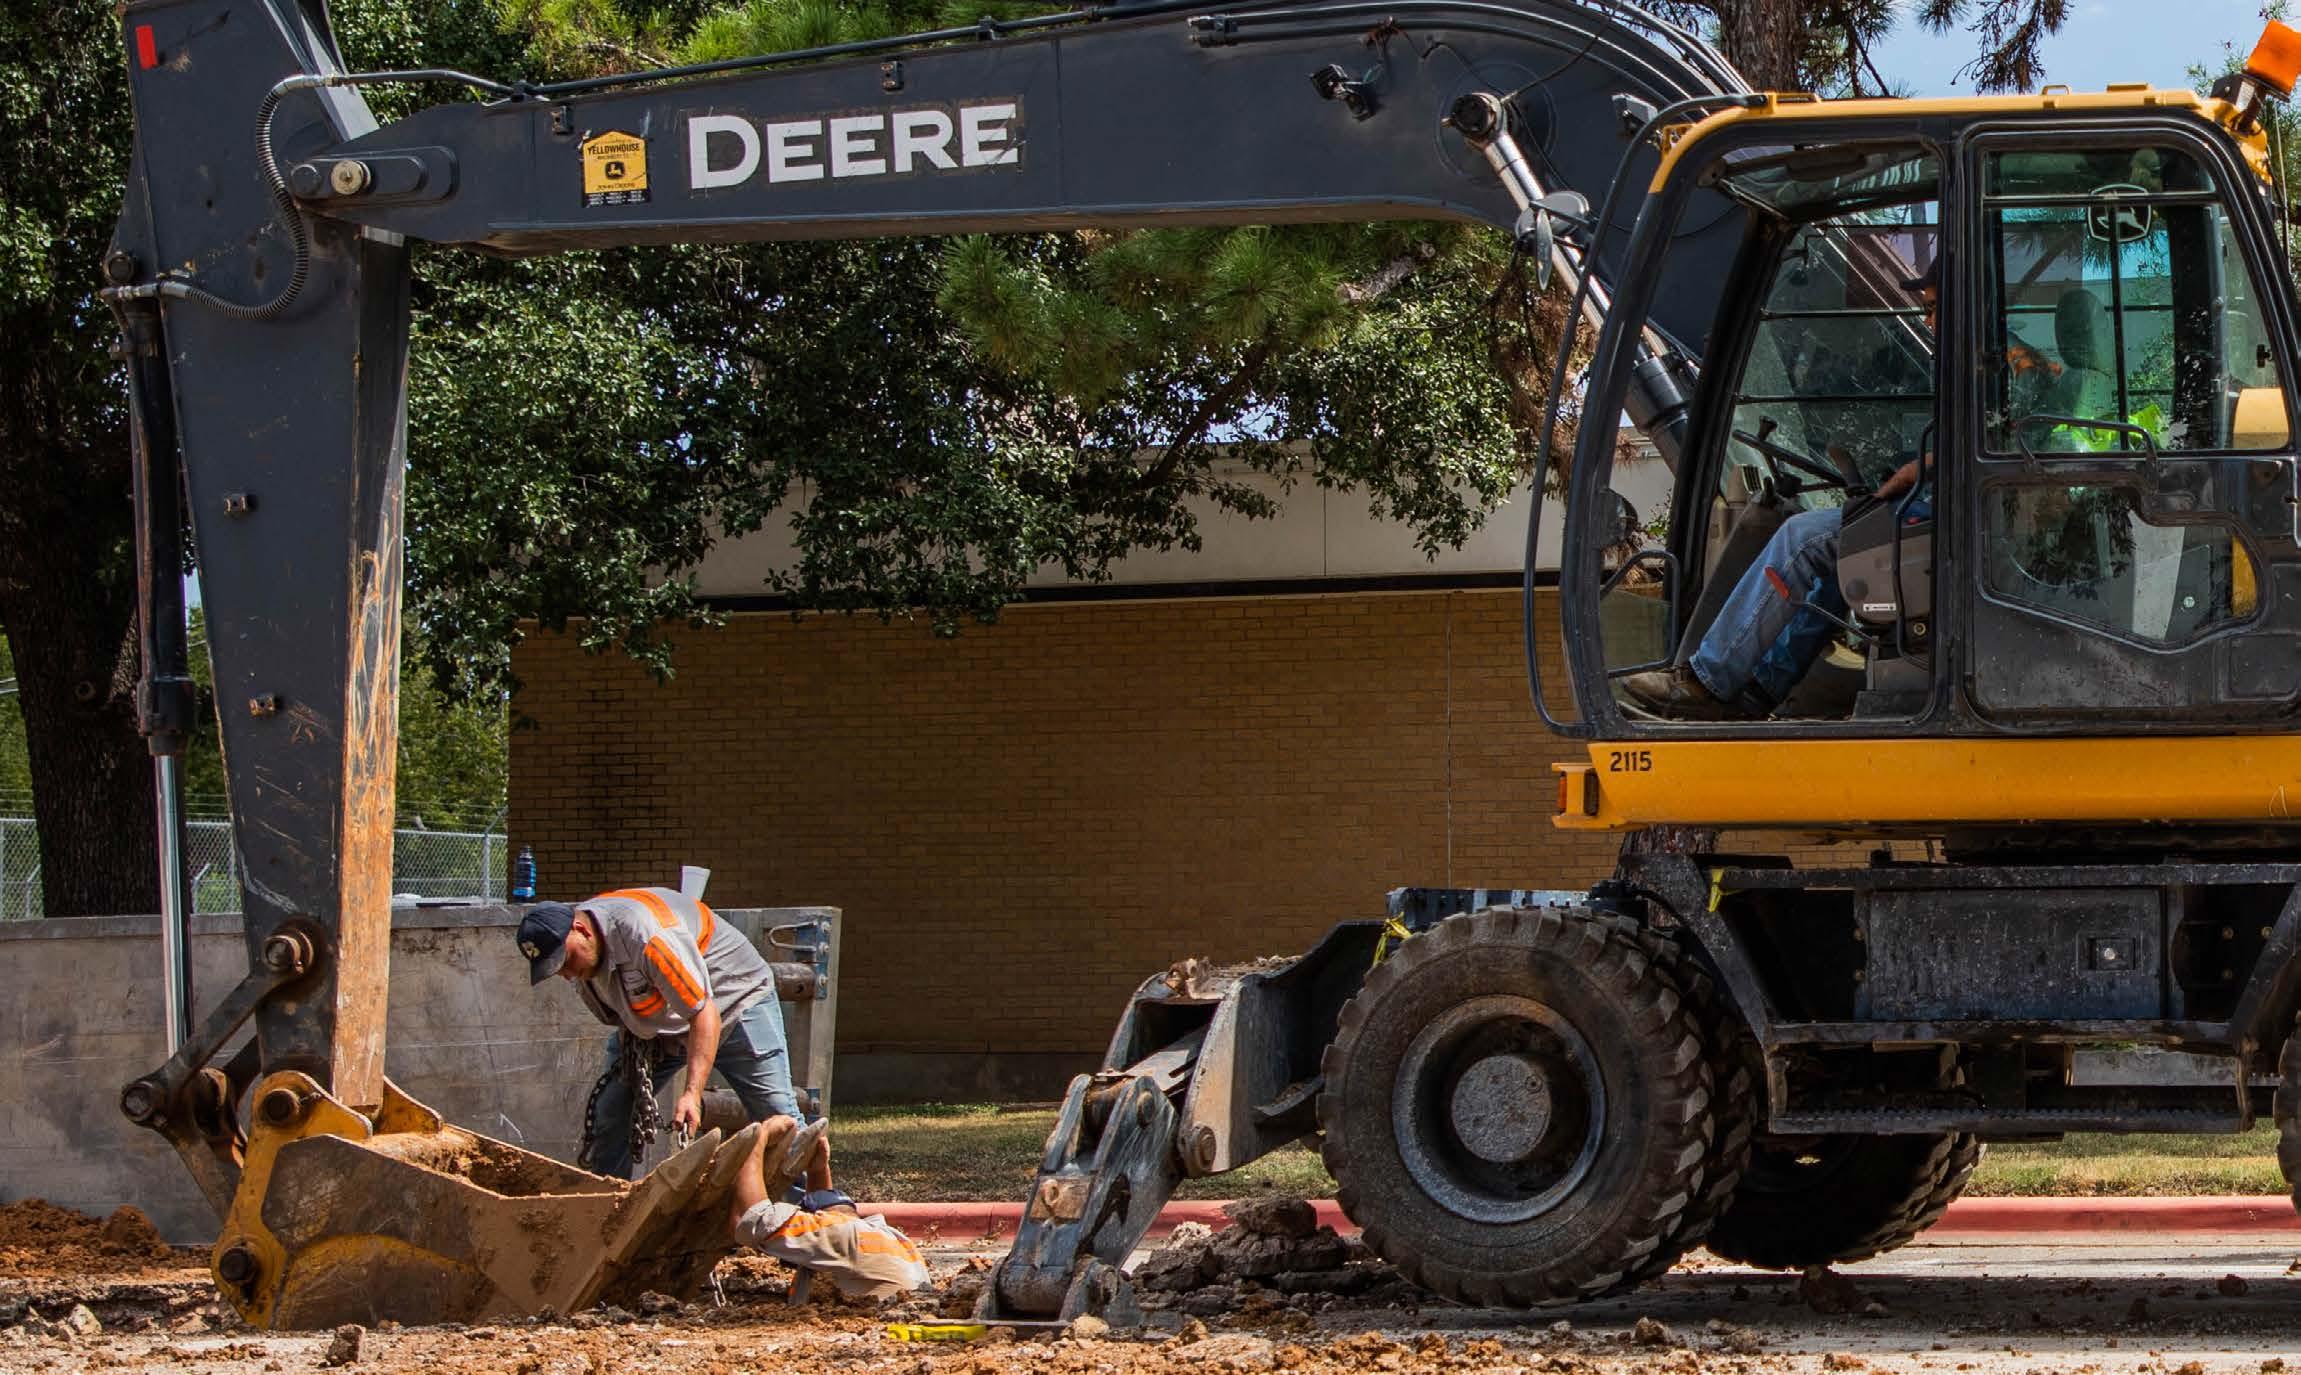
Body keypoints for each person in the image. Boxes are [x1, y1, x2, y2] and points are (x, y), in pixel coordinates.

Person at [1620, 267, 1937, 721]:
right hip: (1950, 511)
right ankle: (1761, 690)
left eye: (1933, 308)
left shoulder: (1992, 365)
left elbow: (1976, 451)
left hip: (1953, 520)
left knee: (1802, 538)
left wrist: (1911, 472)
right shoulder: (1980, 366)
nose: (1928, 321)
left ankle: (1708, 679)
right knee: (1843, 554)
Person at [518, 884, 802, 1179]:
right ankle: (610, 1199)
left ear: (581, 930)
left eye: (566, 961)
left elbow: (704, 1013)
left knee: (776, 1113)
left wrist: (692, 1094)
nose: (566, 974)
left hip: (732, 998)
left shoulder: (647, 938)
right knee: (612, 1110)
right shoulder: (586, 953)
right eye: (556, 969)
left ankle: (817, 1198)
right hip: (664, 1019)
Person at [728, 1117, 931, 1302]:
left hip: (869, 1321)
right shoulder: (896, 1240)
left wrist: (757, 1140)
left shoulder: (839, 1234)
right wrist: (819, 1169)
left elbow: (750, 1219)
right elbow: (830, 1223)